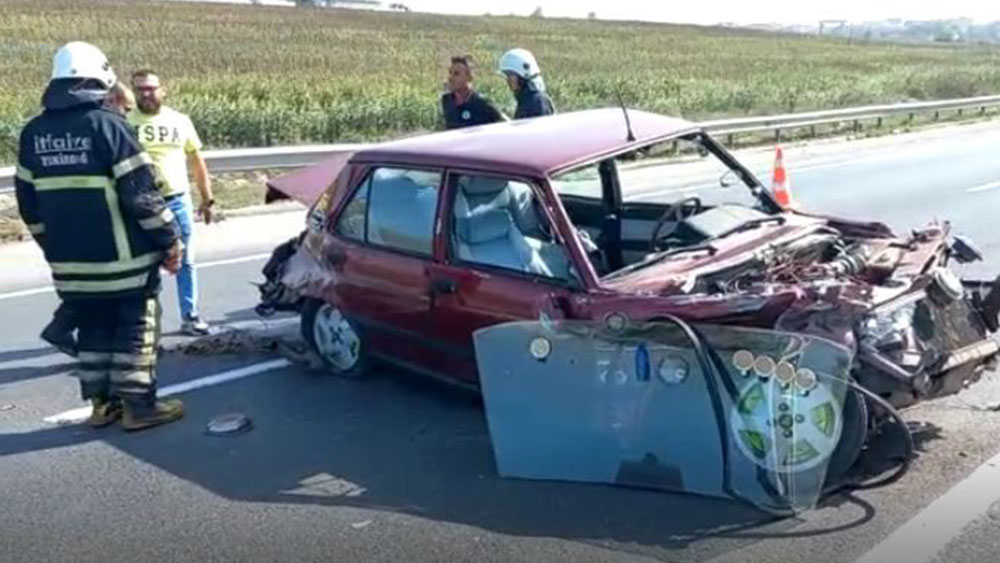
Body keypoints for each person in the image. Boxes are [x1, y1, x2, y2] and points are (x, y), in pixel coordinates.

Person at [16, 41, 185, 430]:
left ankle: (101, 406)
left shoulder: (33, 134)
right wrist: (170, 241)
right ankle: (139, 408)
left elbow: (29, 208)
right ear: (101, 79)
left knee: (92, 330)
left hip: (71, 266)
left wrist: (55, 249)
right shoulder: (110, 127)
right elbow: (142, 197)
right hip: (125, 263)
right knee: (136, 328)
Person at [39, 81, 138, 357]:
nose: (127, 114)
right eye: (126, 108)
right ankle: (98, 345)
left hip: (69, 225)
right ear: (111, 101)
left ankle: (67, 330)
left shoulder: (61, 129)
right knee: (103, 286)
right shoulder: (105, 127)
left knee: (85, 284)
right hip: (99, 222)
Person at [128, 69, 214, 336]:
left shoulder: (180, 121)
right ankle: (144, 325)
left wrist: (207, 198)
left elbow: (196, 161)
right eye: (140, 88)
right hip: (140, 203)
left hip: (177, 200)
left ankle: (190, 315)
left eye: (151, 88)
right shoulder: (125, 124)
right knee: (144, 264)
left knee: (185, 259)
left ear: (162, 90)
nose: (146, 93)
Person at [440, 55, 505, 129]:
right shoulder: (447, 100)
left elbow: (503, 125)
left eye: (456, 74)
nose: (450, 78)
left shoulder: (482, 103)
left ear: (469, 77)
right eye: (450, 73)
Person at [498, 48, 555, 120]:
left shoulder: (538, 102)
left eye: (510, 74)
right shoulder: (527, 99)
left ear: (523, 74)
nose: (508, 80)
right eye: (506, 75)